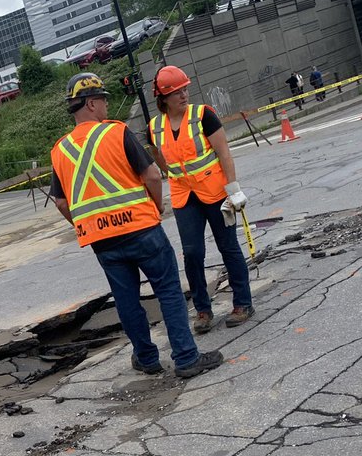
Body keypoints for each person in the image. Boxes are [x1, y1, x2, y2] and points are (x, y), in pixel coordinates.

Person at [50, 73, 224, 379]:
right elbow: (153, 175)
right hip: (142, 230)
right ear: (90, 103)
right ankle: (186, 358)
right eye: (102, 99)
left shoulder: (60, 150)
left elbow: (62, 202)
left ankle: (146, 358)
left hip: (103, 240)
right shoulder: (116, 133)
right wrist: (155, 207)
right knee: (168, 290)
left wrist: (87, 223)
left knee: (126, 299)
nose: (106, 105)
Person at [149, 66, 255, 336]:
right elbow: (161, 160)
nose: (183, 95)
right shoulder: (155, 126)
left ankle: (243, 303)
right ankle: (203, 310)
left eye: (185, 89)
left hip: (215, 192)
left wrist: (233, 190)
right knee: (193, 253)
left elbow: (224, 153)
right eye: (176, 92)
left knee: (228, 246)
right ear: (163, 96)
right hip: (185, 197)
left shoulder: (203, 115)